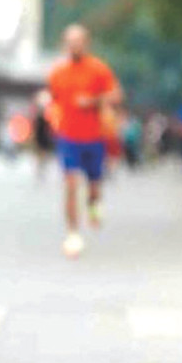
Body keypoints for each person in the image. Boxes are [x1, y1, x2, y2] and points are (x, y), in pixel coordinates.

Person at [46, 24, 121, 257]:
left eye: (78, 41)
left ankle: (94, 207)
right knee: (70, 185)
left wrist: (93, 101)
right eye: (70, 42)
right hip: (68, 137)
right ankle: (73, 234)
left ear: (86, 43)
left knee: (94, 187)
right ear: (64, 44)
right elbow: (52, 100)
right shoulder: (57, 73)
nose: (74, 46)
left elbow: (116, 95)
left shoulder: (98, 69)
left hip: (94, 137)